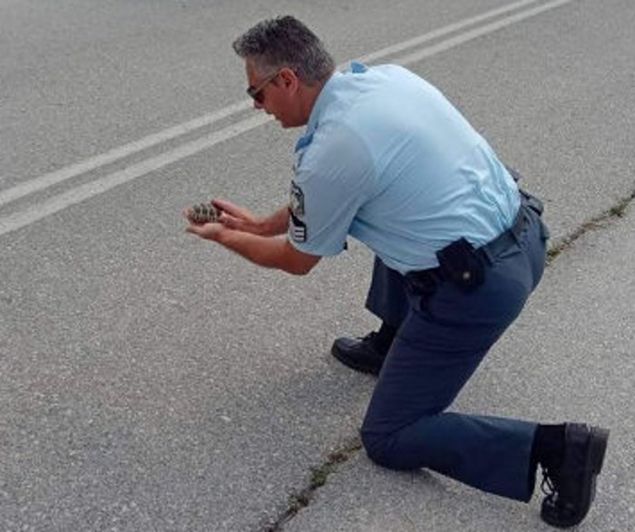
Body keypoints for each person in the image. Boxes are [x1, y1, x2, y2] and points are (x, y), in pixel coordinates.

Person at [184, 15, 609, 528]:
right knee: (391, 208)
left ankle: (559, 450)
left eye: (256, 93)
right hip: (526, 235)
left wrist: (227, 237)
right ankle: (394, 342)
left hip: (479, 289)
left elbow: (299, 260)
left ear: (288, 80)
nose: (257, 107)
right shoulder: (381, 80)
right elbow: (323, 206)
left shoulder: (335, 149)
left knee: (388, 435)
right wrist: (258, 222)